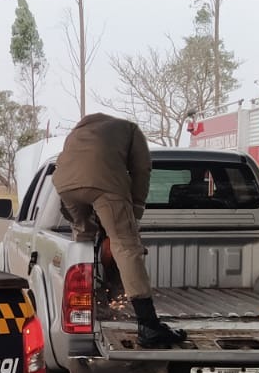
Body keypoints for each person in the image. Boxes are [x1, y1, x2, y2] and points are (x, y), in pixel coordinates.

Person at [54, 113, 185, 348]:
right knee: (126, 246)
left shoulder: (78, 131)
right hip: (104, 183)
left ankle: (96, 299)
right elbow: (142, 169)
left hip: (64, 184)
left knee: (83, 237)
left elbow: (69, 163)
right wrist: (135, 209)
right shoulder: (130, 129)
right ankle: (148, 326)